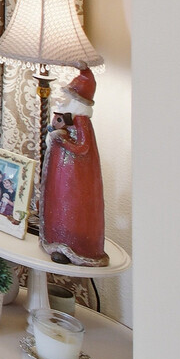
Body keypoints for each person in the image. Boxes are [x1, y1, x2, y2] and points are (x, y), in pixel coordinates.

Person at [39, 68, 109, 266]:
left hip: (75, 178)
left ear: (78, 100)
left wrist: (62, 141)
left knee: (71, 207)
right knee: (58, 200)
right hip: (62, 174)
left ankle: (74, 246)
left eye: (69, 95)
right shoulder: (68, 117)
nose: (64, 99)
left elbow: (83, 147)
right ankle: (55, 239)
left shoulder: (81, 121)